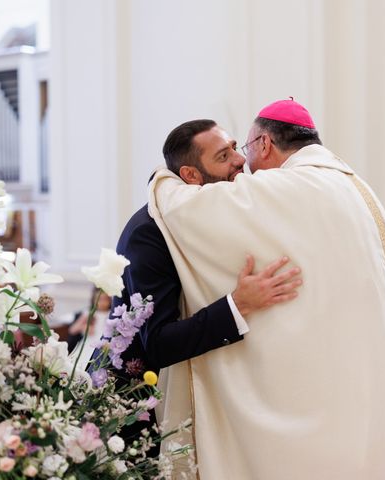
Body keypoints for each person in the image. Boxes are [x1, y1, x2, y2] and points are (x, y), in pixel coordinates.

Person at [148, 100, 385, 479]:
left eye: (241, 150)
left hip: (328, 393)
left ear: (263, 144)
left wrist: (164, 180)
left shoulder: (286, 187)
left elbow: (186, 209)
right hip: (378, 380)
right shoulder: (354, 185)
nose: (243, 166)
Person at [97, 119, 303, 455]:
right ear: (191, 176)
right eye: (223, 156)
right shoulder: (148, 234)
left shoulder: (215, 215)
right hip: (133, 416)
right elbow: (159, 343)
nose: (239, 160)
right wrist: (238, 304)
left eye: (236, 147)